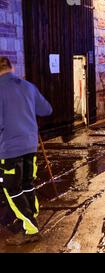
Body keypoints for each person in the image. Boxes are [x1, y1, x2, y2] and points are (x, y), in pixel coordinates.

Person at [0, 56, 53, 246]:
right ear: (11, 68)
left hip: (9, 149)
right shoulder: (28, 86)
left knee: (11, 189)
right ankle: (32, 215)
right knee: (27, 183)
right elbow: (46, 109)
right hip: (30, 146)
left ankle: (30, 228)